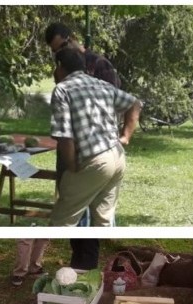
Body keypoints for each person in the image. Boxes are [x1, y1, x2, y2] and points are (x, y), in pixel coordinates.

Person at [49, 46, 142, 226]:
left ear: (59, 67)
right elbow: (135, 104)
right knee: (103, 224)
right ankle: (107, 254)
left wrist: (72, 166)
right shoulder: (102, 85)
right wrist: (125, 137)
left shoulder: (62, 90)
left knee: (60, 223)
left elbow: (64, 136)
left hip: (95, 161)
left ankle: (39, 254)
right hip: (117, 157)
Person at [44, 22, 121, 88]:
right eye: (55, 50)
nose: (61, 52)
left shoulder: (99, 63)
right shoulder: (62, 70)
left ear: (73, 38)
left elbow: (114, 96)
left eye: (63, 46)